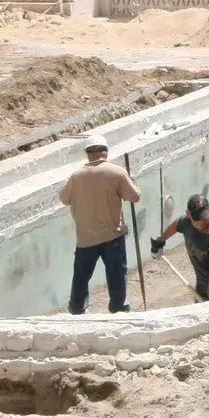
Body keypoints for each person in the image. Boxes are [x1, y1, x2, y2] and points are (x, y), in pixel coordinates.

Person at [57, 133, 141, 314]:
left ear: (88, 153)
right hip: (112, 235)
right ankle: (118, 309)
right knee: (116, 275)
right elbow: (134, 196)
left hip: (85, 237)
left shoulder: (76, 176)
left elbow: (64, 199)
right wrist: (130, 181)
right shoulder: (117, 172)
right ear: (106, 152)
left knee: (81, 276)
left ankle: (77, 308)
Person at [150, 193, 209, 300]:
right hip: (203, 286)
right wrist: (160, 241)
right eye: (198, 220)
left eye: (205, 218)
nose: (202, 222)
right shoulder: (186, 222)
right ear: (188, 214)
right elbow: (176, 225)